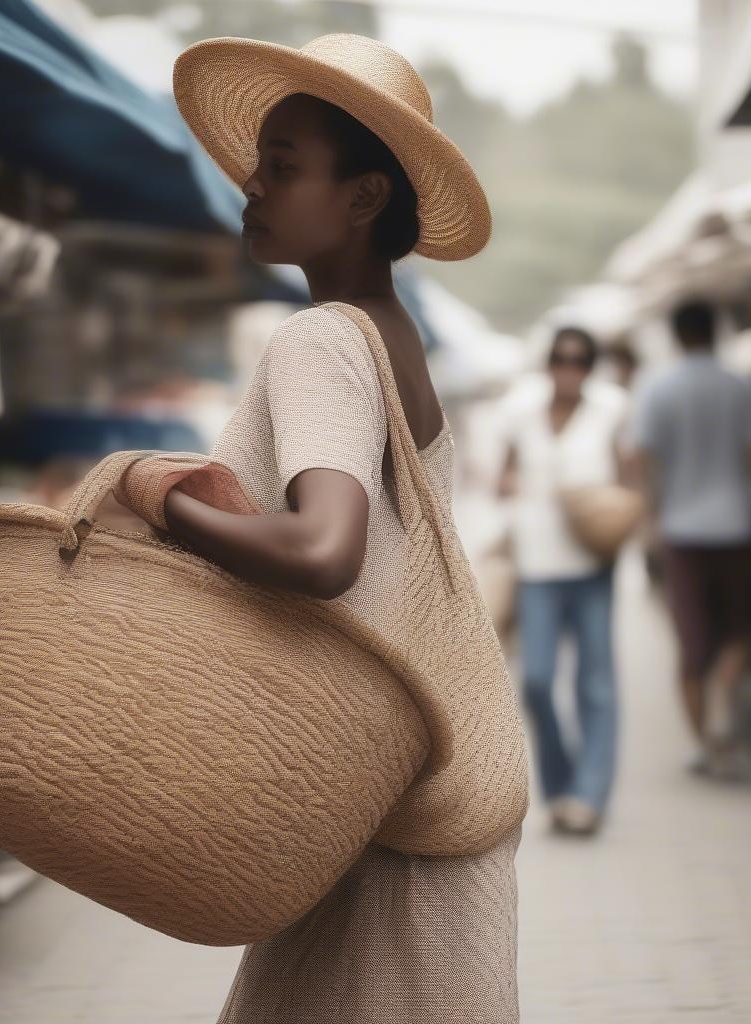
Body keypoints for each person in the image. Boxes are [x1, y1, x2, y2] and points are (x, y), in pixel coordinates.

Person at [143, 33, 524, 1024]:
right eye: (257, 164)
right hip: (397, 766)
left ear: (362, 198)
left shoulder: (319, 337)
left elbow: (323, 550)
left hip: (360, 779)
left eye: (285, 167)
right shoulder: (395, 336)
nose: (253, 187)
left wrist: (155, 497)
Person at [626, 299, 751, 778]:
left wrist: (651, 514)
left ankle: (704, 741)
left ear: (678, 335)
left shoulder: (657, 388)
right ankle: (725, 698)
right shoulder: (740, 386)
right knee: (742, 629)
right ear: (716, 332)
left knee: (690, 644)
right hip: (737, 527)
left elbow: (640, 456)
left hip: (681, 532)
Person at [495, 327, 630, 835]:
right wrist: (517, 487)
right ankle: (560, 784)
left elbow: (632, 479)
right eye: (560, 359)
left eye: (579, 360)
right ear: (548, 362)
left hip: (592, 564)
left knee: (596, 683)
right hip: (536, 564)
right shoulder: (521, 412)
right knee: (537, 680)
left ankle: (589, 796)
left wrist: (607, 507)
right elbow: (501, 477)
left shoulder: (611, 410)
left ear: (591, 366)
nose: (569, 369)